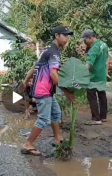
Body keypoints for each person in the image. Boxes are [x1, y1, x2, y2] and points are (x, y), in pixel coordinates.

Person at [21, 26, 76, 156]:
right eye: (65, 35)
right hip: (43, 90)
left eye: (68, 36)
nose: (67, 38)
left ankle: (58, 138)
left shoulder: (47, 50)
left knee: (56, 113)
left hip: (46, 90)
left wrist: (25, 81)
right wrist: (67, 93)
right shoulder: (54, 53)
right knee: (44, 119)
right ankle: (28, 144)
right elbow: (53, 75)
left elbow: (34, 67)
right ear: (57, 36)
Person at [82, 30, 109, 125]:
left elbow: (89, 64)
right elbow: (107, 59)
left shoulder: (94, 48)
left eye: (84, 39)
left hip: (93, 76)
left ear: (90, 38)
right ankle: (103, 117)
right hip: (101, 75)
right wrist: (106, 71)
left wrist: (81, 74)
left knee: (92, 96)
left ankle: (96, 119)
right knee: (102, 96)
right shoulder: (103, 44)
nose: (84, 42)